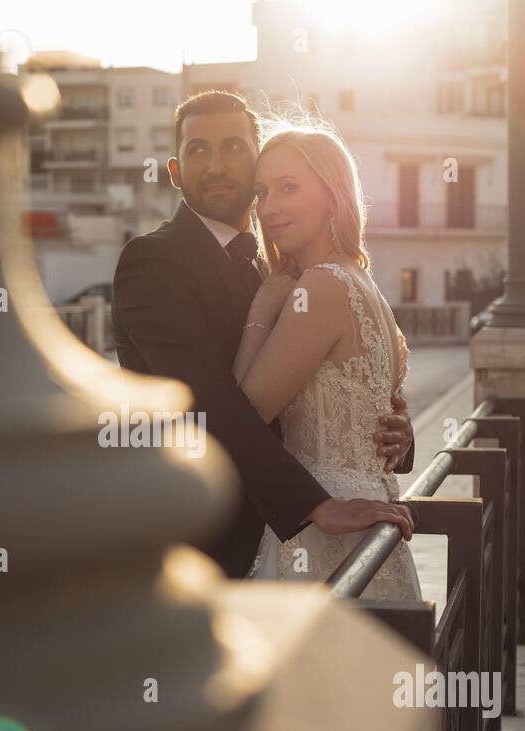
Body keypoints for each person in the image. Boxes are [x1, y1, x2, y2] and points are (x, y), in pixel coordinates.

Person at [113, 91, 415, 581]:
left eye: (233, 147)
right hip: (199, 538)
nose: (215, 165)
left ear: (255, 164)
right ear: (174, 171)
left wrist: (393, 435)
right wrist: (314, 505)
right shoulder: (153, 263)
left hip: (276, 539)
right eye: (197, 150)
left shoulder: (280, 271)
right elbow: (206, 402)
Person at [234, 123, 420, 596]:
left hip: (323, 530)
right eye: (262, 192)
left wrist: (259, 312)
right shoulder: (364, 283)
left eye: (288, 187)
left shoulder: (320, 287)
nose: (269, 207)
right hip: (371, 523)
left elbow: (244, 417)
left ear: (333, 193)